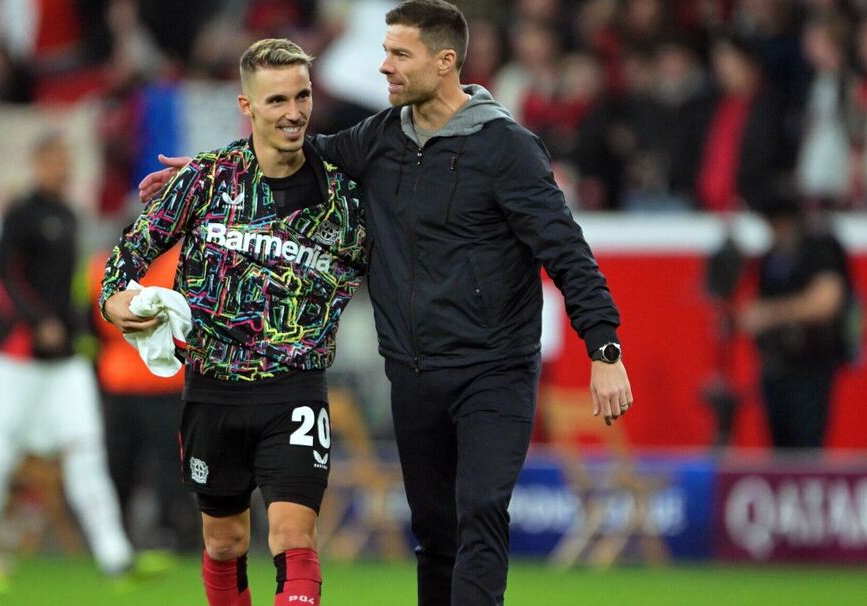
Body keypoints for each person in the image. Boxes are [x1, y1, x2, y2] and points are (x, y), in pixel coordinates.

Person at [139, 2, 633, 604]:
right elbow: (298, 158)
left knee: (479, 510)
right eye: (385, 52)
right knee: (433, 529)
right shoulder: (381, 137)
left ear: (445, 62)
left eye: (400, 54)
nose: (384, 67)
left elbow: (568, 254)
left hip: (493, 369)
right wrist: (210, 175)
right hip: (414, 371)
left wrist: (604, 349)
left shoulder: (508, 150)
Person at [102, 38, 367, 606]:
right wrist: (112, 299)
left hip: (295, 387)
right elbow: (133, 248)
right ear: (247, 108)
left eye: (302, 96)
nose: (293, 112)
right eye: (276, 101)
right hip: (212, 389)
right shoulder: (206, 179)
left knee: (294, 535)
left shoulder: (346, 198)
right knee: (224, 542)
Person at [0, 133, 139, 582]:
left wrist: (84, 334)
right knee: (0, 453)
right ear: (37, 163)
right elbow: (2, 276)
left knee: (86, 449)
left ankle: (113, 553)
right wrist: (36, 320)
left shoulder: (69, 216)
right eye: (57, 160)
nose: (65, 169)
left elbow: (75, 286)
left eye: (67, 160)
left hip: (65, 362)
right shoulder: (21, 214)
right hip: (18, 358)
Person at [86, 243, 199, 551]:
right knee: (135, 464)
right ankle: (144, 533)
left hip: (144, 381)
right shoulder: (182, 260)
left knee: (154, 465)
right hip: (142, 380)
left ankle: (154, 531)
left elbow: (89, 325)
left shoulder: (104, 265)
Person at [740, 196, 855, 449]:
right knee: (780, 445)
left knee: (807, 443)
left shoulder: (820, 248)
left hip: (811, 365)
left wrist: (770, 314)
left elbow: (826, 301)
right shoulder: (770, 257)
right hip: (775, 365)